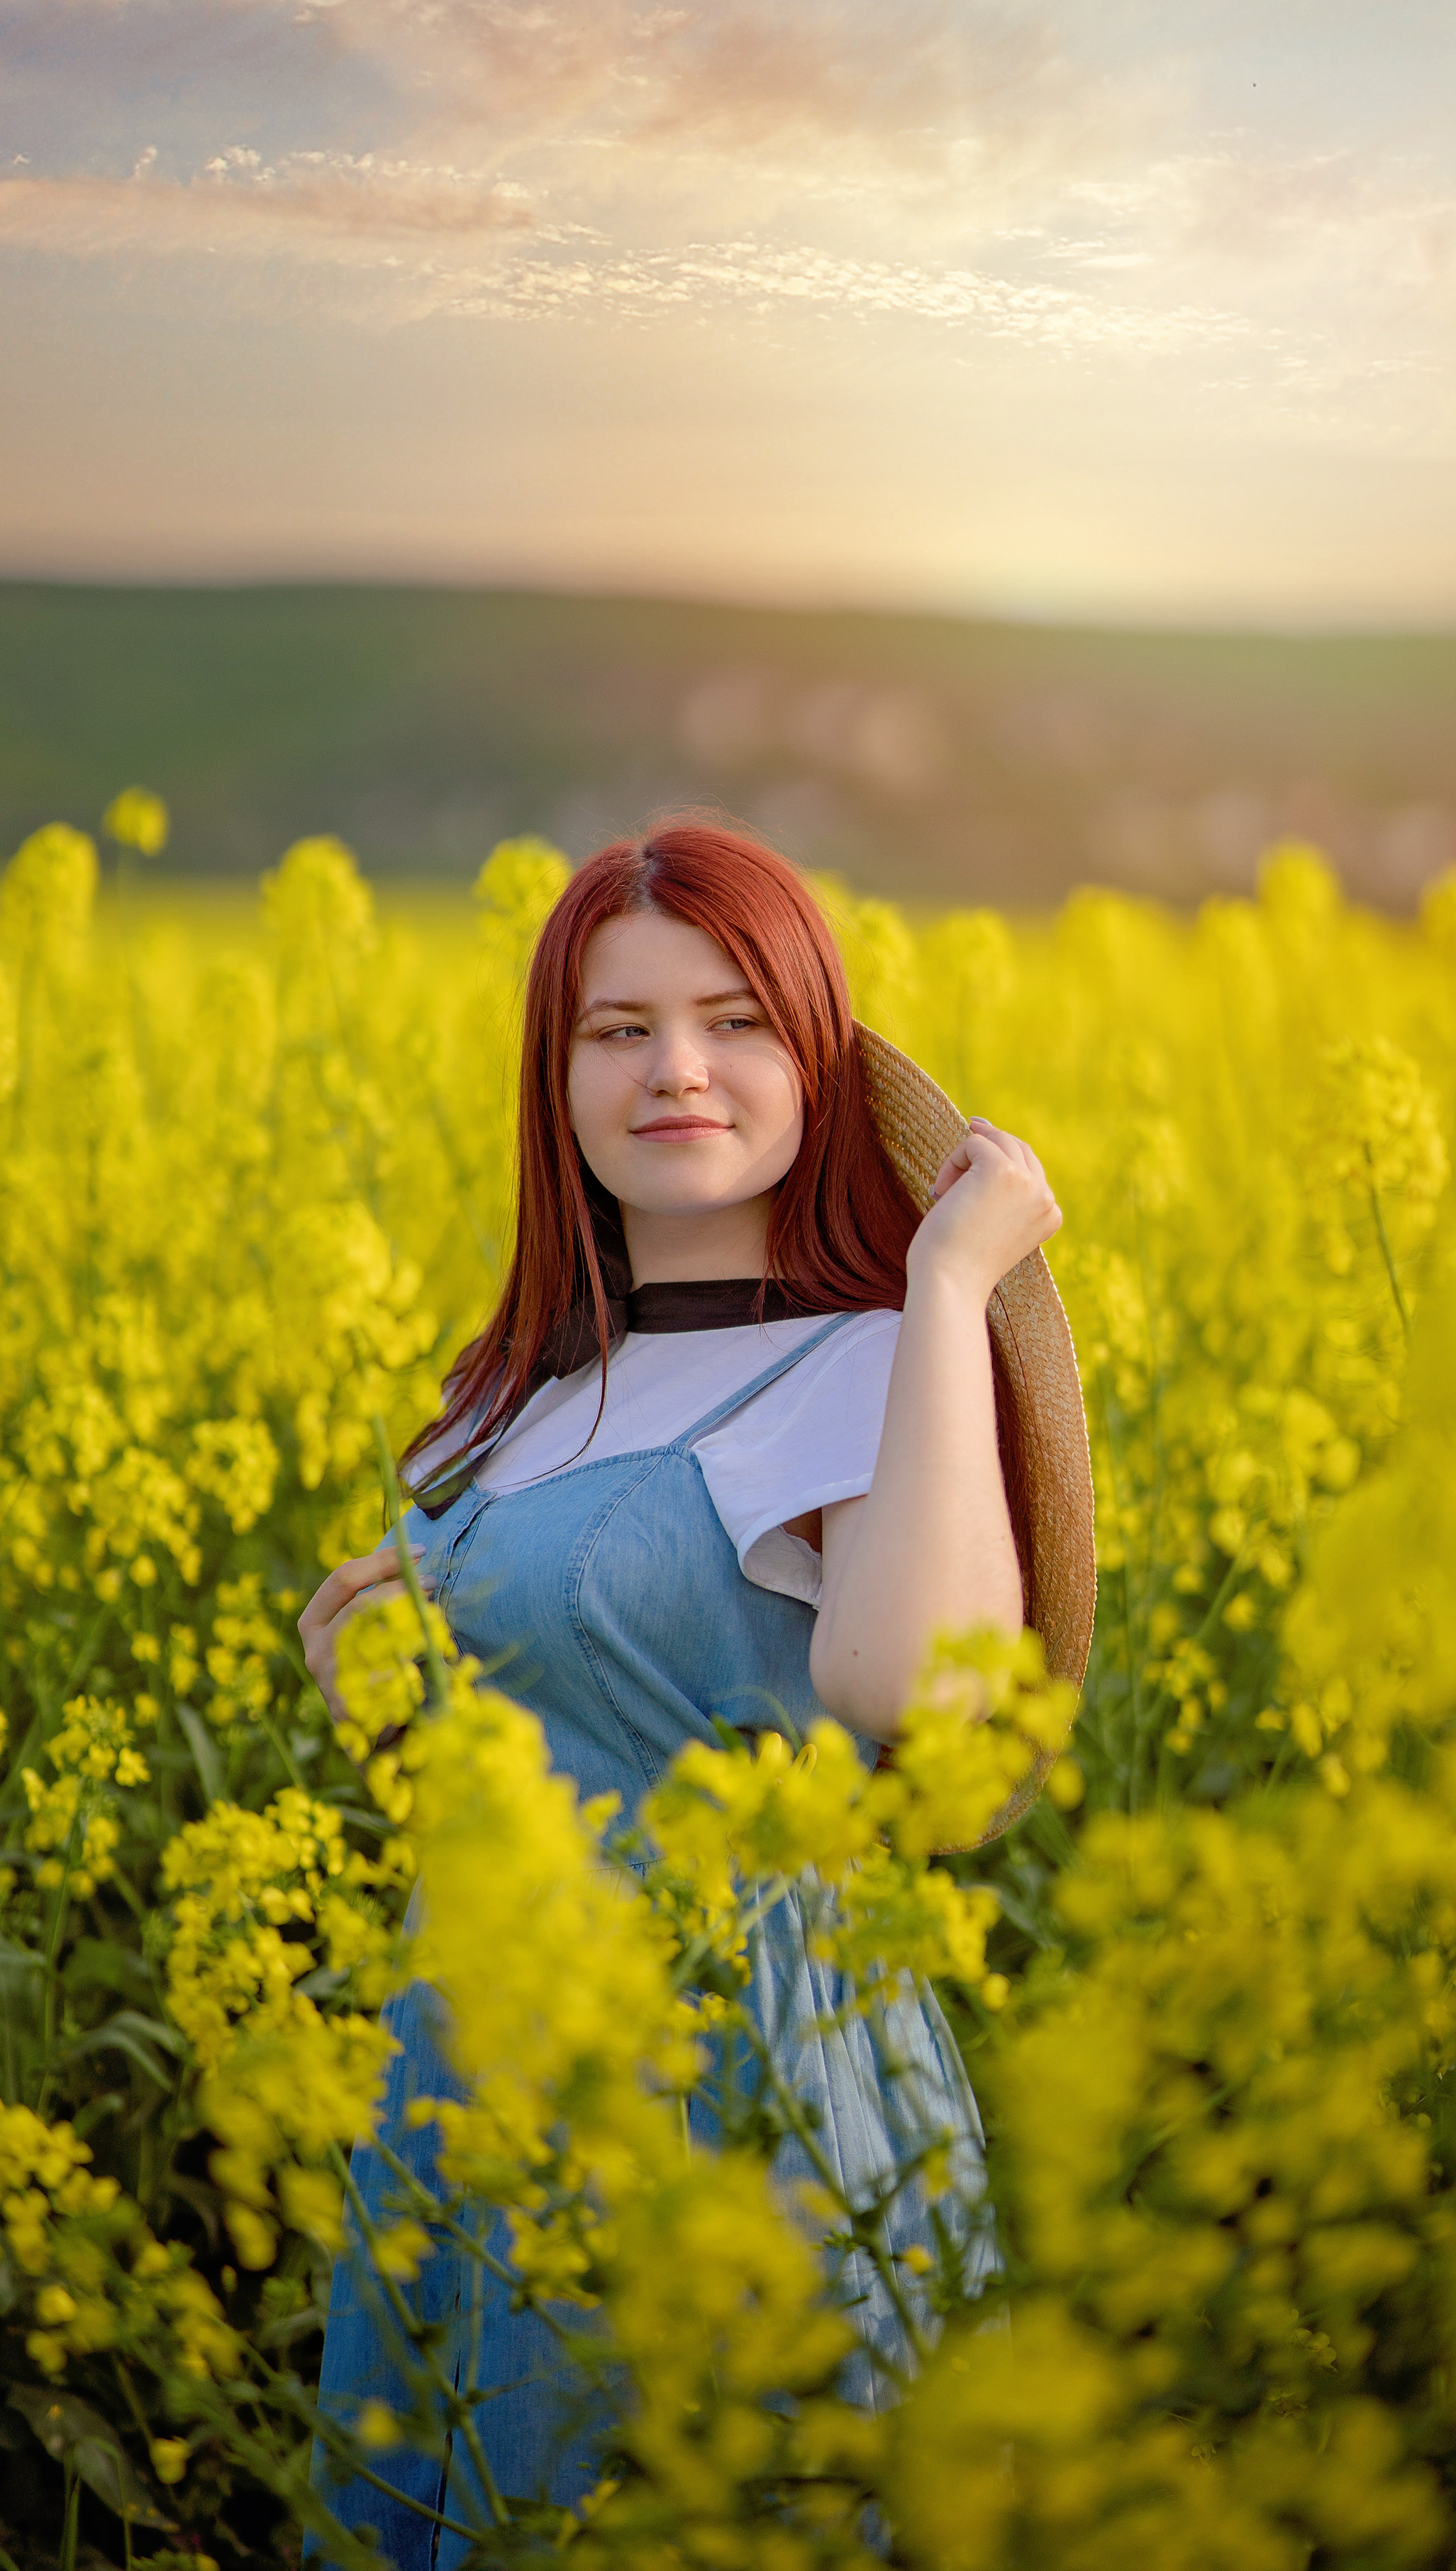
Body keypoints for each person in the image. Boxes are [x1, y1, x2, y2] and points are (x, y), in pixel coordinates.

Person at [297, 820, 1086, 2567]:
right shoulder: (503, 1396)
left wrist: (959, 1278)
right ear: (553, 1075)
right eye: (617, 1028)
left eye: (736, 1019)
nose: (678, 1069)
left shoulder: (873, 1362)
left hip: (748, 2065)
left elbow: (905, 1689)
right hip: (482, 2055)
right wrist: (376, 1684)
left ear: (814, 1050)